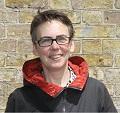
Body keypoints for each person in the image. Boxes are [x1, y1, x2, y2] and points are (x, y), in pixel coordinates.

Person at [5, 9, 117, 112]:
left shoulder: (96, 91)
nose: (55, 46)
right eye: (45, 40)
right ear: (35, 48)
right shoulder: (19, 100)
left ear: (71, 45)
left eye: (61, 39)